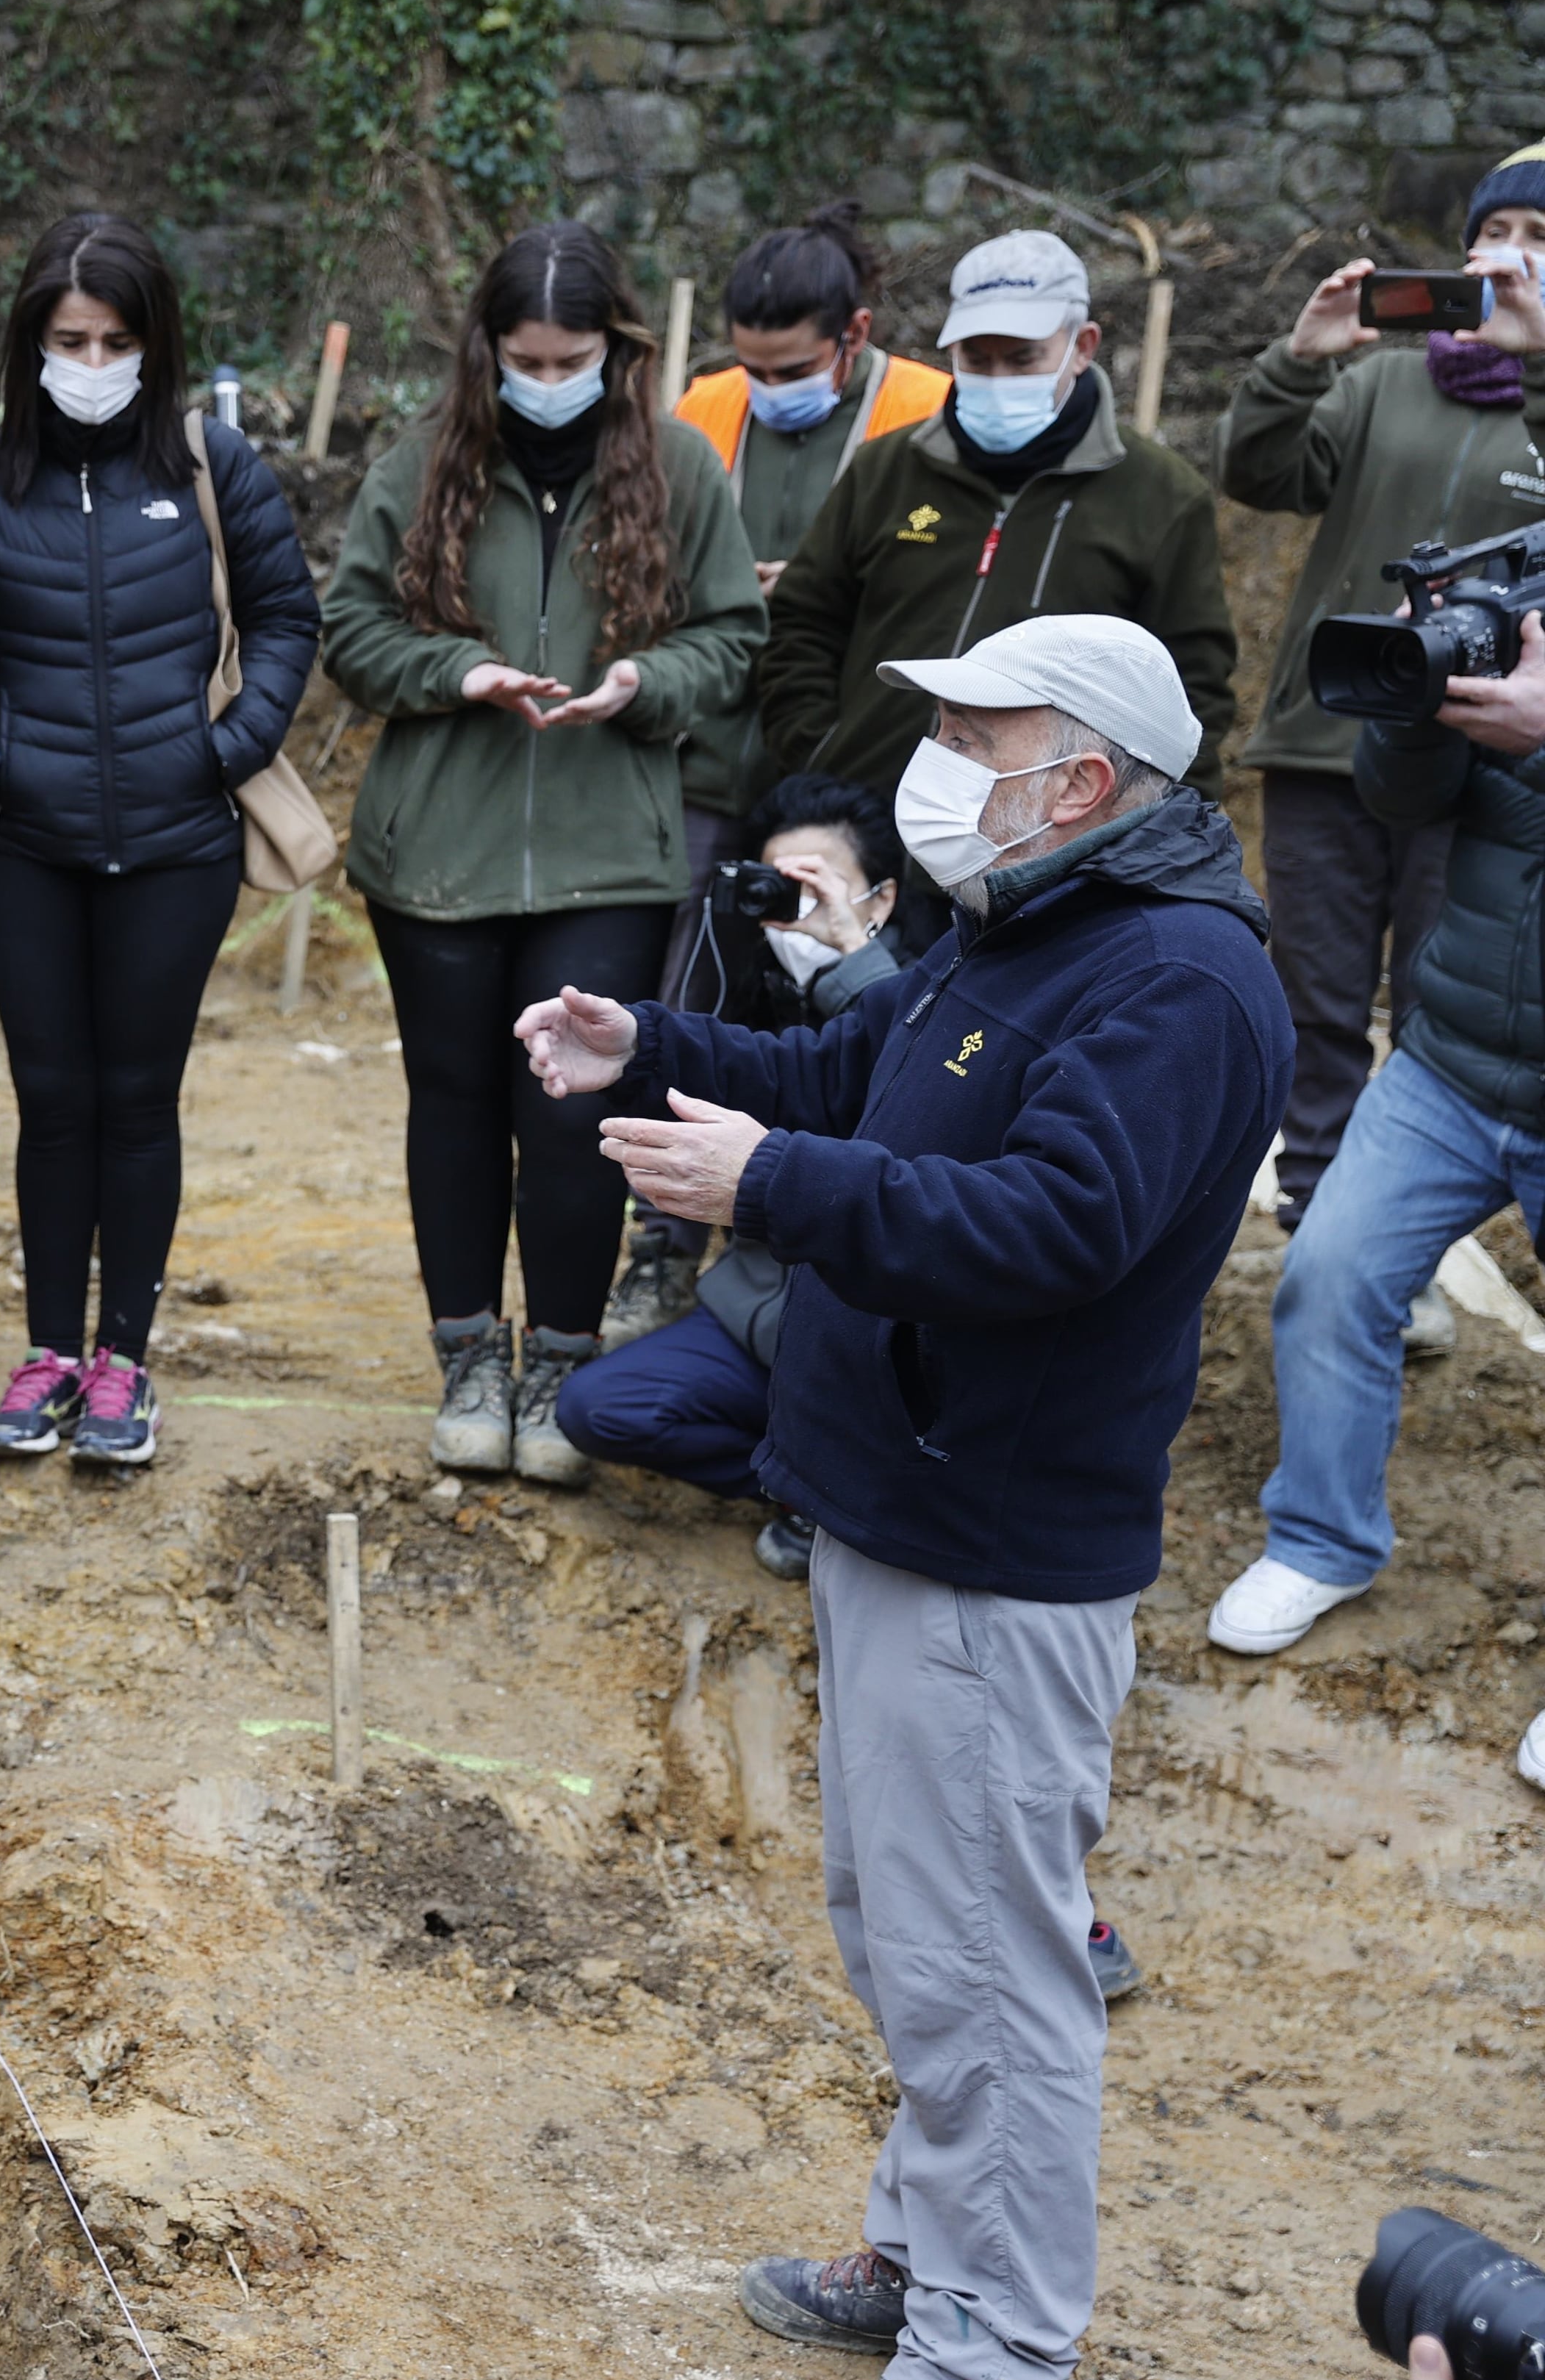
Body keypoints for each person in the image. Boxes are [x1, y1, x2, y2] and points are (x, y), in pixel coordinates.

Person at [521, 613, 1291, 2380]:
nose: (931, 766)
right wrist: (652, 1045)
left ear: (1084, 779)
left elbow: (1051, 1228)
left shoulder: (1176, 980)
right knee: (910, 1929)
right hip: (893, 1498)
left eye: (973, 732)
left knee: (991, 1968)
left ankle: (989, 2364)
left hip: (994, 1539)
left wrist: (767, 1183)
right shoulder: (1014, 926)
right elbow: (858, 1091)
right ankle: (935, 2256)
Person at [319, 219, 766, 1486]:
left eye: (573, 356)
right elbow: (350, 626)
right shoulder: (422, 464)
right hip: (435, 859)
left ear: (614, 351)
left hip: (607, 851)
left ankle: (566, 1358)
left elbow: (735, 634)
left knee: (575, 1115)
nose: (548, 376)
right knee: (455, 1106)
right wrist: (454, 669)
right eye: (527, 354)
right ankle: (470, 1354)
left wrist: (645, 678)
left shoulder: (679, 468)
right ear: (488, 348)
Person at [1204, 246, 1545, 1707]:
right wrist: (1425, 701)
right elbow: (1406, 805)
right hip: (1461, 1052)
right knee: (1329, 1276)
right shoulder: (1401, 408)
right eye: (1493, 245)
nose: (1503, 272)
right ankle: (1324, 1534)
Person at [0, 210, 318, 1467]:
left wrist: (224, 751)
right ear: (28, 345)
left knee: (137, 1098)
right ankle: (48, 1350)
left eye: (114, 339)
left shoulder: (214, 467)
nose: (90, 359)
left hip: (178, 844)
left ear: (154, 345)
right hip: (30, 844)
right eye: (67, 338)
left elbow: (282, 620)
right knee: (52, 1103)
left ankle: (124, 1364)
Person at [611, 204, 950, 1346]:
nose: (763, 385)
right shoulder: (705, 409)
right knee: (696, 993)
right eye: (748, 365)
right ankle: (661, 1242)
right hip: (709, 759)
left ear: (853, 336)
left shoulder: (928, 413)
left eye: (789, 367)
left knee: (845, 994)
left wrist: (806, 585)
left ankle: (815, 1237)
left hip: (852, 773)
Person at [1217, 143, 1545, 1242]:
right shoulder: (1378, 379)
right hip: (1326, 739)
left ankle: (1406, 1233)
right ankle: (1315, 1206)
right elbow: (1262, 475)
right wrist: (1299, 362)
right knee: (1315, 998)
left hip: (1484, 757)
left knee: (1432, 1005)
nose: (1506, 261)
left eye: (1539, 243)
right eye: (1492, 237)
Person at [553, 772, 904, 1572]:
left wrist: (852, 961)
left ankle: (853, 1494)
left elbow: (910, 1099)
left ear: (880, 899)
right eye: (775, 887)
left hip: (875, 1329)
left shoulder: (930, 999)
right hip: (759, 1314)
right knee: (599, 1408)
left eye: (815, 886)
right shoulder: (749, 990)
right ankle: (806, 1490)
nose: (794, 911)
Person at [753, 229, 1237, 809]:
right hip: (868, 822)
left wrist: (1153, 828)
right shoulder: (884, 470)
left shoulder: (1160, 496)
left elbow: (1191, 691)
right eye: (977, 358)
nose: (999, 378)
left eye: (1023, 357)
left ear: (1083, 345)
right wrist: (822, 755)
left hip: (1046, 840)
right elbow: (803, 623)